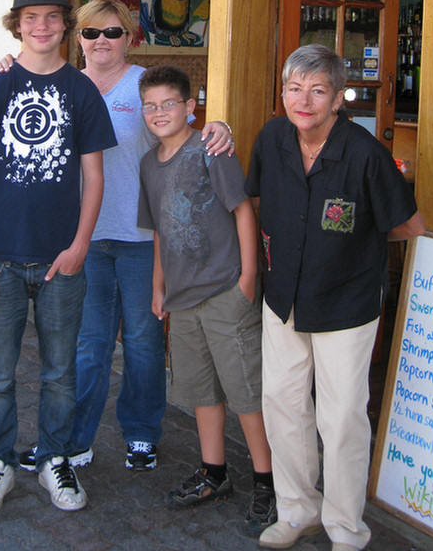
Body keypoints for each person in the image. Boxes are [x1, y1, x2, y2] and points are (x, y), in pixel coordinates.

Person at [0, 0, 233, 472]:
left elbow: (183, 128)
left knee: (145, 341)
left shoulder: (140, 87)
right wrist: (8, 67)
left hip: (141, 238)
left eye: (113, 32)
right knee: (88, 345)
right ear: (75, 36)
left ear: (130, 38)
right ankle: (73, 439)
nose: (101, 41)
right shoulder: (61, 84)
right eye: (90, 32)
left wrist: (220, 125)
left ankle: (142, 433)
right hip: (78, 240)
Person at [245, 44, 425, 551]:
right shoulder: (272, 137)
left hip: (345, 302)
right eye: (294, 88)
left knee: (341, 416)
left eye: (318, 90)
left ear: (338, 98)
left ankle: (346, 527)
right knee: (283, 406)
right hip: (283, 296)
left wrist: (359, 242)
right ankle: (297, 510)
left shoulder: (365, 154)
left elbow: (410, 225)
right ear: (282, 93)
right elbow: (259, 198)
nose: (304, 100)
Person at [0, 0, 116, 518]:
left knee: (59, 371)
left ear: (65, 25)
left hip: (59, 263)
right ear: (17, 24)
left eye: (52, 17)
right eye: (31, 17)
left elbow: (93, 178)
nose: (42, 26)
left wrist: (78, 247)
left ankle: (54, 457)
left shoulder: (81, 90)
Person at [137, 64, 277, 536]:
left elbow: (242, 210)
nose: (159, 113)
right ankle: (214, 472)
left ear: (190, 107)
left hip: (224, 290)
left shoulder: (211, 149)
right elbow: (158, 230)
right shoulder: (148, 164)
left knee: (246, 392)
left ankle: (267, 481)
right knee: (200, 390)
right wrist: (159, 286)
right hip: (182, 295)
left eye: (169, 104)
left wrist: (248, 277)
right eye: (150, 106)